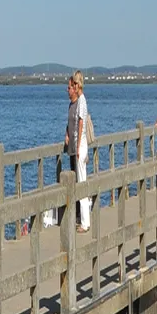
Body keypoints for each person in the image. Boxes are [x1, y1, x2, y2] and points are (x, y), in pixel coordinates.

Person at [65, 71, 91, 232]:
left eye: (74, 84)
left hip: (80, 145)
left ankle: (85, 222)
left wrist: (79, 145)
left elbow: (81, 124)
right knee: (81, 180)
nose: (72, 87)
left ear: (78, 84)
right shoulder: (80, 101)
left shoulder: (82, 100)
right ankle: (83, 219)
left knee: (81, 182)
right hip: (78, 145)